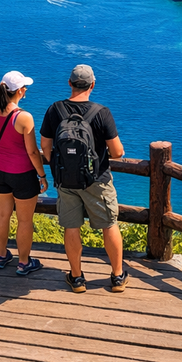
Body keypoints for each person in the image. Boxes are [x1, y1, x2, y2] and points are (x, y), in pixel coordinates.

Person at [40, 64, 126, 294]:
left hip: (65, 181)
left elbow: (45, 146)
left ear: (69, 83)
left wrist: (60, 169)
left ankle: (77, 278)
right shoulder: (102, 112)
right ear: (92, 85)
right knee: (109, 225)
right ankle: (117, 276)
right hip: (97, 179)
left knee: (71, 227)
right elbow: (117, 152)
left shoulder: (55, 110)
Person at [0, 71, 48, 276]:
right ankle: (23, 262)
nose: (26, 90)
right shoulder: (24, 117)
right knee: (25, 220)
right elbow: (32, 151)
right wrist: (42, 175)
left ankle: (1, 256)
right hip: (23, 174)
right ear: (19, 91)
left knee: (2, 214)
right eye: (25, 87)